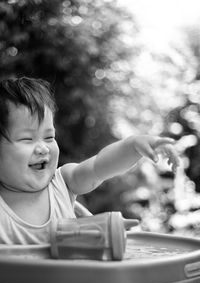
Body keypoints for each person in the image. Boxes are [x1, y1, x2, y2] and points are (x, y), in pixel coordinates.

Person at [0, 77, 179, 244]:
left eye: (49, 137)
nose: (43, 148)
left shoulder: (63, 184)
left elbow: (98, 166)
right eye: (27, 139)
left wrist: (132, 146)